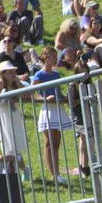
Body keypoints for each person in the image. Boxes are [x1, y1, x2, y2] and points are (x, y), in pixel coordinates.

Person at [33, 47, 73, 185]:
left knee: (57, 142)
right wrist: (44, 99)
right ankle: (53, 174)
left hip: (57, 108)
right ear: (45, 57)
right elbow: (32, 92)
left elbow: (58, 91)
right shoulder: (39, 75)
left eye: (56, 57)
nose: (55, 60)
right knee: (49, 143)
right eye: (52, 57)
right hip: (48, 109)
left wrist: (65, 98)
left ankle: (57, 172)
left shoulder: (56, 75)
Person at [0, 61, 29, 174]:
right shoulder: (0, 82)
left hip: (12, 114)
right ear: (3, 74)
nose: (13, 74)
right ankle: (17, 171)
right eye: (10, 72)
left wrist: (19, 83)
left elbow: (26, 93)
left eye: (14, 72)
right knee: (7, 142)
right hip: (2, 114)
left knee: (14, 142)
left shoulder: (15, 82)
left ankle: (24, 170)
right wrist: (3, 97)